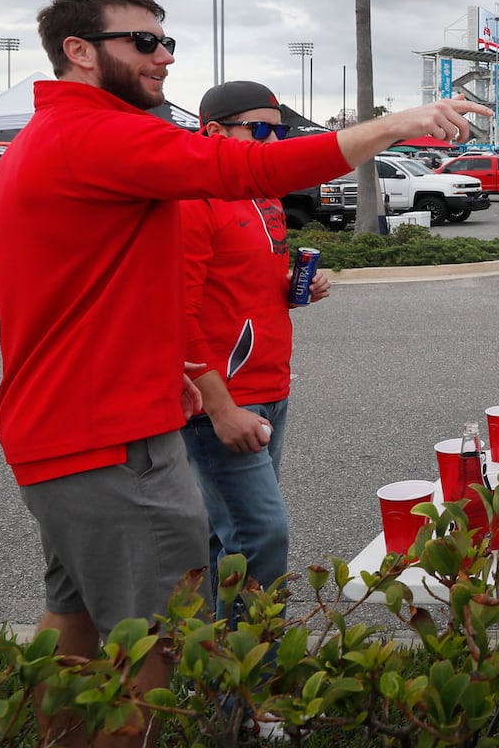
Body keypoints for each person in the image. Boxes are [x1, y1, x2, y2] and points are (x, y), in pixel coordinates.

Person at [0, 0, 490, 747]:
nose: (165, 56)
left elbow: (137, 284)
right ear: (79, 51)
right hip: (112, 438)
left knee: (79, 621)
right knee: (155, 641)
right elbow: (244, 171)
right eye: (143, 43)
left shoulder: (67, 135)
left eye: (168, 41)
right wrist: (391, 125)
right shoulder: (95, 134)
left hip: (67, 428)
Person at [178, 82, 329, 617]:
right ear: (213, 132)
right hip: (225, 399)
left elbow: (239, 285)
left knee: (231, 539)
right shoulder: (193, 199)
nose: (273, 140)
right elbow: (177, 313)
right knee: (261, 539)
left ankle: (214, 672)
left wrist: (295, 286)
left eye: (280, 130)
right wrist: (219, 408)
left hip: (271, 385)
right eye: (259, 129)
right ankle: (249, 689)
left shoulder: (262, 195)